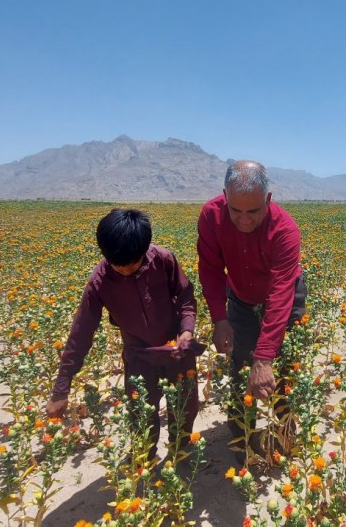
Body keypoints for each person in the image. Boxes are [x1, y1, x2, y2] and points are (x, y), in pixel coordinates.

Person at [46, 208, 202, 461]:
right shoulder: (99, 282)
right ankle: (145, 457)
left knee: (185, 406)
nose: (126, 271)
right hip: (140, 356)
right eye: (119, 267)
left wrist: (186, 330)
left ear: (144, 249)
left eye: (133, 265)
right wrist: (61, 389)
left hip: (177, 351)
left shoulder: (163, 260)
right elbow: (81, 332)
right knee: (141, 413)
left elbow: (185, 297)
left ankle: (181, 450)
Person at [197, 160, 307, 462]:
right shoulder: (211, 216)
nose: (244, 220)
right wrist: (220, 319)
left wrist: (265, 357)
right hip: (242, 298)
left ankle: (284, 435)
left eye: (254, 212)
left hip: (286, 297)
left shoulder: (286, 230)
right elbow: (209, 269)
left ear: (268, 200)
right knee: (240, 365)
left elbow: (281, 293)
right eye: (236, 211)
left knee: (282, 368)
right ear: (224, 196)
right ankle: (242, 439)